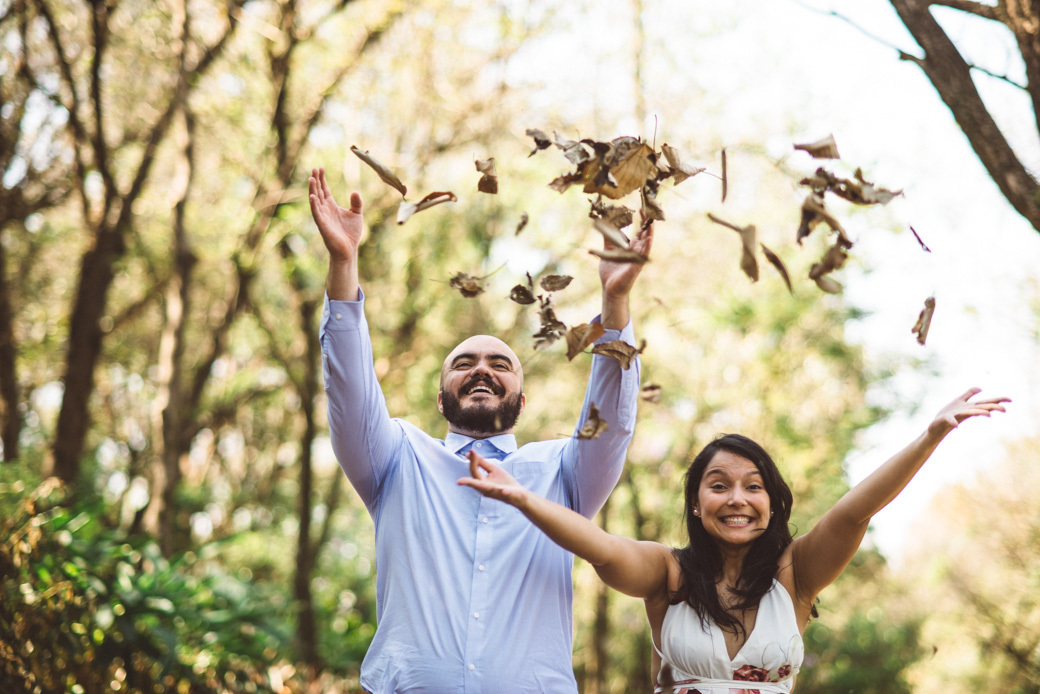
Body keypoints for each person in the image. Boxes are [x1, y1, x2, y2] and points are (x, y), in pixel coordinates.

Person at [309, 166, 653, 693]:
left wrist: (615, 304)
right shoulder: (396, 458)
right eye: (464, 362)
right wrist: (343, 264)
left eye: (501, 363)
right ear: (441, 394)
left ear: (521, 395)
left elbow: (613, 422)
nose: (482, 369)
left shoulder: (564, 473)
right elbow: (349, 391)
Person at [459, 388, 1010, 693]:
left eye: (754, 487)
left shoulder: (795, 576)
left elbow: (855, 511)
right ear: (697, 505)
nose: (737, 500)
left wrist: (931, 435)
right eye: (718, 486)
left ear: (772, 505)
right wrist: (526, 500)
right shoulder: (667, 575)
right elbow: (600, 548)